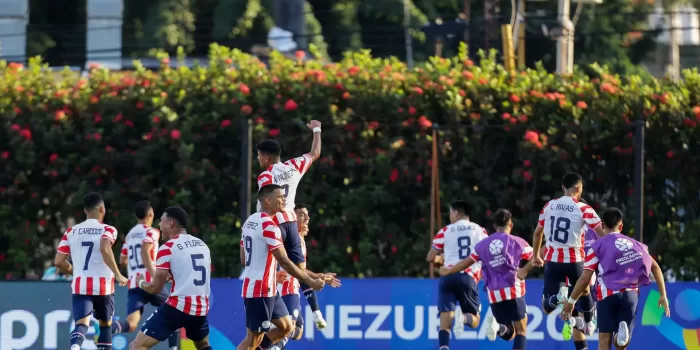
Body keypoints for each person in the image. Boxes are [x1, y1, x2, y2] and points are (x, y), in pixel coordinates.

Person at [561, 207, 671, 350]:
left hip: (607, 293)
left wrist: (571, 301)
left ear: (601, 225)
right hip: (630, 294)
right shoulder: (636, 245)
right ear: (621, 226)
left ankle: (619, 336)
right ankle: (620, 338)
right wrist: (663, 294)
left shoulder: (597, 246)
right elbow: (655, 267)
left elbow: (585, 279)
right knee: (621, 346)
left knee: (603, 342)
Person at [255, 120, 329, 331]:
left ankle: (269, 310)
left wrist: (255, 226)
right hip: (291, 224)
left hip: (276, 224)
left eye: (259, 156)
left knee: (272, 265)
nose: (258, 159)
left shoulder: (266, 176)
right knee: (300, 269)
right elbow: (315, 153)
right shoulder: (293, 165)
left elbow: (266, 204)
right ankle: (314, 307)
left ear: (266, 157)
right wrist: (317, 129)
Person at [238, 185, 325, 350]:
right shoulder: (270, 226)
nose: (284, 200)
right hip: (260, 291)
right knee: (252, 342)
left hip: (268, 289)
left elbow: (244, 259)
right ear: (267, 200)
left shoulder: (249, 222)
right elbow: (284, 261)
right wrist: (311, 281)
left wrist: (268, 272)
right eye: (280, 196)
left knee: (287, 327)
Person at [441, 209, 534, 350]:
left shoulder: (482, 246)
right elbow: (535, 257)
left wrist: (449, 270)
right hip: (513, 288)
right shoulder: (517, 242)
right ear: (511, 225)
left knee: (510, 333)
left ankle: (497, 327)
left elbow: (465, 263)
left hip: (494, 293)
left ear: (494, 225)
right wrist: (525, 269)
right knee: (521, 331)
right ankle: (497, 327)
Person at [531, 172, 604, 348]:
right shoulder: (583, 208)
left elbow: (537, 233)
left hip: (553, 262)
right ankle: (589, 319)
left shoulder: (549, 205)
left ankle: (558, 296)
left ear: (563, 188)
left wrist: (536, 256)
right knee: (585, 290)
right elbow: (603, 235)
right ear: (579, 188)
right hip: (575, 262)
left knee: (546, 307)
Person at [129, 206, 212, 350]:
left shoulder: (167, 248)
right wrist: (174, 276)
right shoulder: (202, 245)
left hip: (178, 307)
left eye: (161, 221)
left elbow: (155, 289)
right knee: (203, 346)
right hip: (201, 308)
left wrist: (141, 282)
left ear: (170, 223)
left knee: (137, 346)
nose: (159, 225)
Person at [53, 192, 128, 350]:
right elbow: (104, 247)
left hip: (81, 285)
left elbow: (59, 261)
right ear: (102, 209)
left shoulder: (71, 231)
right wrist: (118, 274)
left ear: (85, 210)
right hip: (104, 286)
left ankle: (75, 347)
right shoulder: (108, 230)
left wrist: (76, 271)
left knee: (81, 324)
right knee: (105, 324)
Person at [108, 201, 179, 349]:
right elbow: (145, 251)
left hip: (135, 284)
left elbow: (123, 259)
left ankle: (106, 330)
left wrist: (135, 268)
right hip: (150, 282)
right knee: (175, 312)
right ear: (151, 214)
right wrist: (156, 276)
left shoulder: (130, 235)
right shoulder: (152, 232)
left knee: (131, 323)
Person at [274, 203, 342, 347]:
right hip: (286, 288)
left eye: (307, 215)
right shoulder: (293, 240)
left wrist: (319, 276)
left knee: (297, 331)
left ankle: (271, 343)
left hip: (291, 289)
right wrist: (319, 277)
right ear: (293, 218)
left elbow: (301, 272)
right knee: (287, 328)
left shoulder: (299, 240)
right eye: (302, 215)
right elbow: (300, 273)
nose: (307, 218)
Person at [425, 200, 488, 349]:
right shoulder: (480, 230)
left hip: (447, 277)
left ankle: (444, 347)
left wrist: (441, 260)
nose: (449, 216)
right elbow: (487, 253)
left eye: (451, 212)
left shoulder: (445, 231)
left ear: (457, 212)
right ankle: (464, 317)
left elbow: (430, 257)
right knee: (475, 320)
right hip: (468, 277)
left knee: (445, 324)